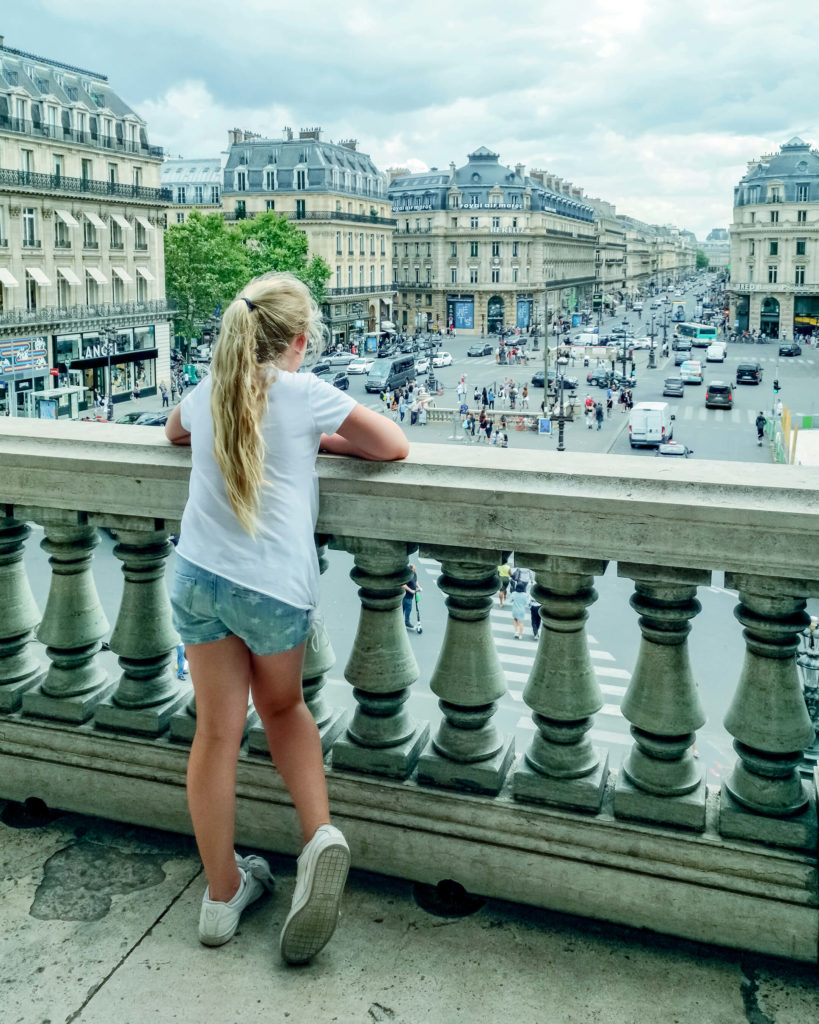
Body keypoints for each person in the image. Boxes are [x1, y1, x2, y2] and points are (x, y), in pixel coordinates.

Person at [164, 272, 408, 962]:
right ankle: (319, 838)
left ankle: (220, 897)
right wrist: (319, 442)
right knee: (283, 710)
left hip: (197, 579)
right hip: (272, 588)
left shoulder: (207, 392)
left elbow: (175, 433)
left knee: (215, 733)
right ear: (300, 341)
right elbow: (391, 446)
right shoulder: (305, 394)